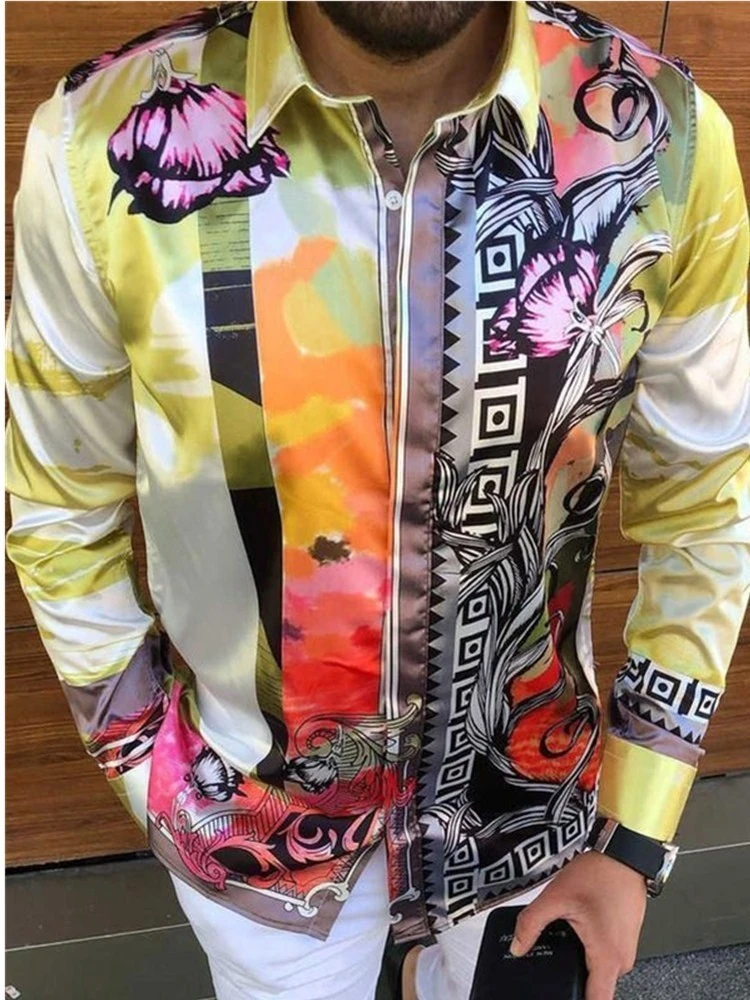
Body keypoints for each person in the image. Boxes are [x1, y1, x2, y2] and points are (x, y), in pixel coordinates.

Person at [6, 1, 749, 998]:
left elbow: (708, 506)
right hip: (256, 837)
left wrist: (636, 829)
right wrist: (160, 776)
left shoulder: (657, 138)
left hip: (536, 814)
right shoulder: (102, 141)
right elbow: (57, 510)